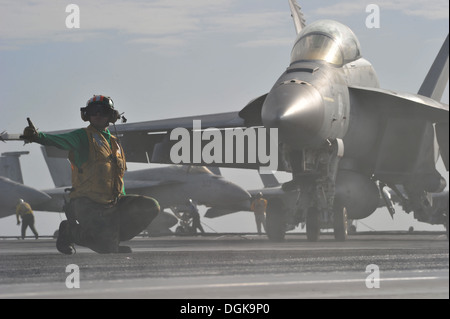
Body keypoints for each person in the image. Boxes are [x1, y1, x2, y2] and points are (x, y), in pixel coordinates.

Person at [21, 95, 160, 254]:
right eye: (94, 111)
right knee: (105, 248)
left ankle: (111, 241)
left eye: (103, 111)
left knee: (150, 206)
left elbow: (116, 176)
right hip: (88, 202)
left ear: (112, 116)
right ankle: (69, 231)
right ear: (87, 115)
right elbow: (59, 140)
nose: (98, 114)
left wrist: (121, 199)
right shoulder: (82, 137)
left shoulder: (115, 143)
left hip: (113, 202)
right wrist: (37, 136)